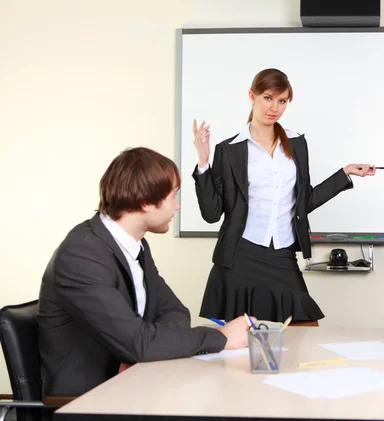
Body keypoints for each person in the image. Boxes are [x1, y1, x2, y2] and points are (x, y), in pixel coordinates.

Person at [38, 147, 252, 396]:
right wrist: (221, 338)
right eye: (173, 195)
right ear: (146, 201)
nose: (177, 206)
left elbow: (175, 311)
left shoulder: (133, 244)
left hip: (134, 385)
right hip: (87, 400)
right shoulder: (81, 256)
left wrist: (146, 347)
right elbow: (137, 343)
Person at [192, 68, 375, 326]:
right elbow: (212, 214)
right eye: (268, 98)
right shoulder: (229, 150)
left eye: (282, 101)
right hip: (240, 254)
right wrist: (203, 162)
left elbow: (305, 200)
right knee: (241, 337)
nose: (274, 107)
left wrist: (344, 174)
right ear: (251, 96)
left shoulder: (297, 143)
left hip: (282, 252)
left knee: (306, 326)